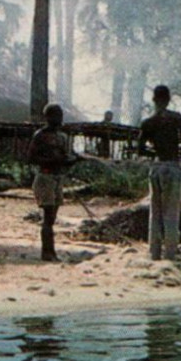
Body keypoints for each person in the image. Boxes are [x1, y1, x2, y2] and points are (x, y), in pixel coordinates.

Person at [28, 102, 103, 262]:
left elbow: (67, 157)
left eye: (60, 115)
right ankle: (47, 252)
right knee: (48, 217)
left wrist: (72, 160)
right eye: (55, 115)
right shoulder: (40, 135)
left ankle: (50, 251)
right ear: (47, 117)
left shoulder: (63, 137)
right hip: (45, 177)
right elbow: (32, 158)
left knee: (52, 217)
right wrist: (52, 160)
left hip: (57, 178)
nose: (59, 118)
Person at [137, 84, 181, 260]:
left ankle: (154, 253)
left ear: (154, 100)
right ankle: (170, 254)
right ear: (168, 99)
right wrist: (176, 150)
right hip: (173, 167)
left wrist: (156, 151)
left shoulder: (148, 123)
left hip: (156, 167)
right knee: (171, 212)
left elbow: (140, 149)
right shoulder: (177, 119)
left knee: (156, 211)